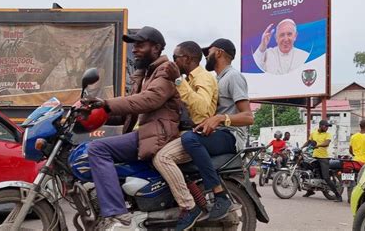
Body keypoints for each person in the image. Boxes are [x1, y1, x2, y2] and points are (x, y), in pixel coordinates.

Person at [84, 26, 181, 229]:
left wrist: (106, 103)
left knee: (97, 149)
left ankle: (117, 214)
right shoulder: (145, 74)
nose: (135, 49)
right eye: (134, 45)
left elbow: (149, 100)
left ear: (156, 48)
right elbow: (129, 112)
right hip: (145, 132)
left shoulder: (165, 71)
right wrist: (94, 117)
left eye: (140, 45)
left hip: (158, 134)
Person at [181, 38, 254, 221]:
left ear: (219, 53)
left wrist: (221, 118)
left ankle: (219, 194)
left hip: (230, 136)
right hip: (217, 133)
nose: (206, 56)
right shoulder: (215, 80)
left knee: (190, 139)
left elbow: (248, 117)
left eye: (209, 52)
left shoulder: (233, 77)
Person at [152, 41, 218, 231]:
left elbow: (203, 109)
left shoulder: (203, 77)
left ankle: (189, 207)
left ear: (187, 59)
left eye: (175, 58)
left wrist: (178, 82)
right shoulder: (187, 79)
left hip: (197, 135)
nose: (173, 62)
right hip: (184, 132)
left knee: (162, 158)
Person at [301, 120, 343, 202]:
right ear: (321, 126)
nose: (327, 128)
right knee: (309, 171)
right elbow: (309, 141)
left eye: (328, 126)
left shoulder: (327, 134)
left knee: (326, 177)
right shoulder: (314, 133)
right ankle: (310, 190)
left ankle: (338, 195)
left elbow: (326, 143)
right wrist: (302, 147)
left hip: (323, 158)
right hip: (314, 156)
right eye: (325, 126)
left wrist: (318, 145)